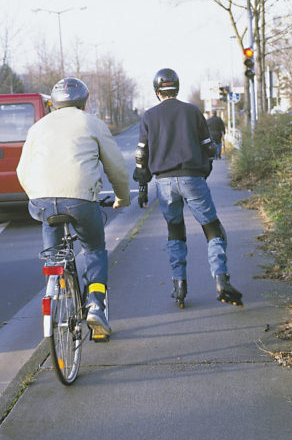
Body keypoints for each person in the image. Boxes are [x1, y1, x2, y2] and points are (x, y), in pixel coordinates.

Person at [17, 77, 130, 338]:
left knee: (54, 253)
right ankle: (96, 307)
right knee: (94, 249)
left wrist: (37, 195)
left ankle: (55, 285)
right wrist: (122, 197)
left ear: (54, 103)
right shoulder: (92, 123)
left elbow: (22, 170)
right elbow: (116, 168)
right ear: (84, 101)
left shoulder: (38, 127)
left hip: (43, 201)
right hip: (81, 200)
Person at [133, 68, 242, 308]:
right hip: (192, 178)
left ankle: (179, 285)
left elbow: (141, 154)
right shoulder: (192, 112)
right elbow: (209, 147)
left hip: (163, 183)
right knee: (212, 227)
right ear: (177, 87)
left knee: (175, 231)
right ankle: (221, 279)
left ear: (157, 90)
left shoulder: (149, 116)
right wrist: (205, 169)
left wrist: (142, 187)